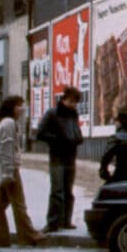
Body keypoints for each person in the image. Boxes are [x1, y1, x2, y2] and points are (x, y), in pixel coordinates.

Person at [0, 96, 46, 247]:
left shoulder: (4, 123)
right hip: (9, 170)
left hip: (3, 169)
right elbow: (6, 149)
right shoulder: (8, 124)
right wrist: (8, 173)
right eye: (19, 106)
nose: (22, 109)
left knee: (0, 204)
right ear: (12, 107)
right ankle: (28, 236)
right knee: (19, 203)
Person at [36, 86, 84, 233]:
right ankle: (52, 223)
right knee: (57, 190)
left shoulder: (73, 115)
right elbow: (40, 133)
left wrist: (77, 138)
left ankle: (65, 221)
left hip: (71, 156)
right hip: (57, 156)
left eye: (75, 102)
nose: (73, 105)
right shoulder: (52, 113)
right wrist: (57, 140)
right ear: (63, 99)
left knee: (68, 190)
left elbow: (76, 131)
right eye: (70, 101)